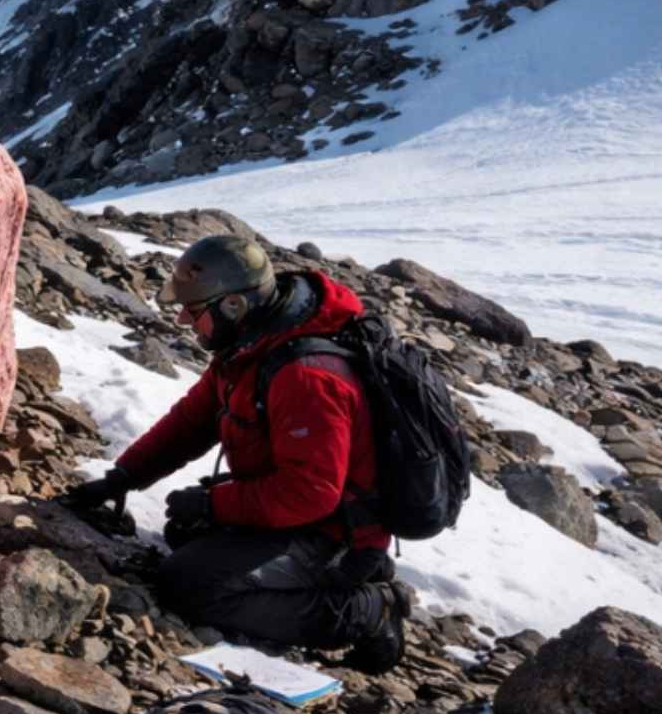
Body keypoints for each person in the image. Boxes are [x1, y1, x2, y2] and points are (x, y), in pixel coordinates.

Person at [66, 234, 415, 673]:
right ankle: (339, 577)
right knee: (185, 532)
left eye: (194, 312)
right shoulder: (253, 346)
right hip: (303, 512)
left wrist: (216, 503)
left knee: (188, 584)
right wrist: (124, 476)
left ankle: (367, 609)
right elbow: (192, 422)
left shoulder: (305, 377)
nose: (183, 320)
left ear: (233, 306)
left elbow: (310, 493)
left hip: (335, 530)